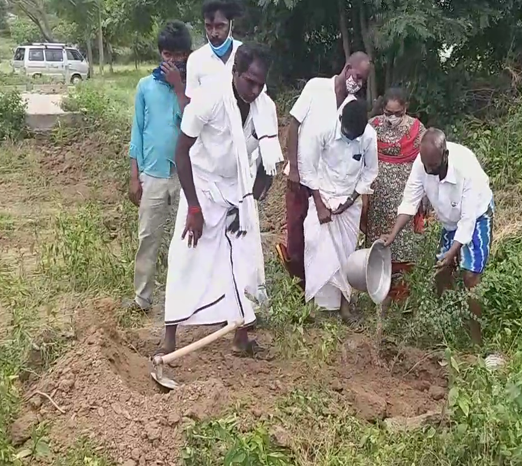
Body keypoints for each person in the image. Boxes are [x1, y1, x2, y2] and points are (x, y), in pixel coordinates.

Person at [160, 44, 276, 356]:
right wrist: (194, 208)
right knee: (187, 256)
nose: (254, 89)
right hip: (201, 185)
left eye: (260, 84)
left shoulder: (265, 108)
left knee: (244, 260)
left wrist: (260, 183)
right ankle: (169, 336)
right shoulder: (209, 98)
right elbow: (181, 153)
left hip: (237, 191)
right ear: (235, 72)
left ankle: (240, 337)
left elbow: (267, 159)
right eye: (249, 81)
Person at [381, 128, 495, 349]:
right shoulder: (421, 164)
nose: (429, 171)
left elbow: (468, 221)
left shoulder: (466, 167)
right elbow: (410, 201)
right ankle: (448, 328)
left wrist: (453, 253)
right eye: (426, 166)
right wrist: (393, 233)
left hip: (477, 215)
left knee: (471, 276)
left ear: (445, 155)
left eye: (433, 166)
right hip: (449, 220)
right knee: (442, 273)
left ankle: (476, 342)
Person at [276, 52, 372, 285]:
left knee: (320, 237)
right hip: (301, 175)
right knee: (297, 233)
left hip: (327, 184)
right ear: (347, 67)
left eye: (362, 82)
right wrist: (295, 169)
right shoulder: (316, 88)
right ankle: (298, 285)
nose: (357, 84)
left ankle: (319, 286)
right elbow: (294, 125)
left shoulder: (351, 106)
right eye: (357, 77)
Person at [127, 21, 192, 312]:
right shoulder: (145, 86)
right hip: (152, 173)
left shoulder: (194, 88)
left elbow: (192, 121)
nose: (173, 61)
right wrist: (134, 176)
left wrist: (180, 87)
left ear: (188, 55)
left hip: (184, 176)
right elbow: (137, 132)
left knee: (187, 241)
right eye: (168, 54)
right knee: (148, 238)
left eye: (179, 55)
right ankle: (142, 299)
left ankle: (186, 300)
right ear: (160, 53)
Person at [301, 99, 378, 323]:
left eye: (355, 136)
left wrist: (352, 199)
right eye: (347, 133)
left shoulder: (368, 137)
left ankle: (345, 308)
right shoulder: (323, 128)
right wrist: (320, 204)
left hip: (349, 204)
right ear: (340, 119)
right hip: (322, 197)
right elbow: (308, 168)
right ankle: (313, 309)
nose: (351, 138)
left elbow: (370, 172)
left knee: (347, 256)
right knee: (315, 250)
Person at [363, 87, 427, 302]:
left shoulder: (417, 130)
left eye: (397, 113)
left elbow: (427, 164)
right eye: (388, 113)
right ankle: (378, 290)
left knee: (404, 242)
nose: (392, 118)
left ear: (405, 108)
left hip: (405, 196)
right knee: (378, 242)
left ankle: (404, 296)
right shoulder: (372, 128)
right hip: (378, 197)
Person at [185, 0, 244, 100]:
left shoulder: (246, 54)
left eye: (220, 26)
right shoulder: (195, 60)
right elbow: (193, 105)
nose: (214, 33)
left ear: (231, 25)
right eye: (208, 26)